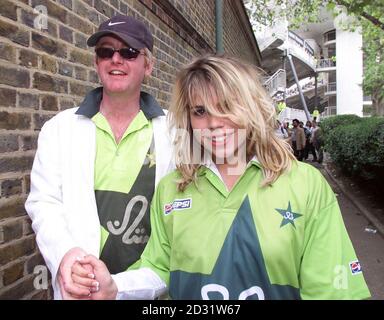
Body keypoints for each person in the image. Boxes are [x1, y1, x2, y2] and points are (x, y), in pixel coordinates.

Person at [71, 54, 370, 300]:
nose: (213, 123)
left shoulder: (306, 184)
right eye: (200, 111)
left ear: (251, 107)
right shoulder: (171, 190)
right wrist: (114, 287)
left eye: (226, 106)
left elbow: (333, 292)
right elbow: (159, 268)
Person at [25, 14, 174, 299]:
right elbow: (43, 202)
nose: (116, 59)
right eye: (106, 51)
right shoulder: (59, 128)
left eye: (129, 52)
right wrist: (65, 255)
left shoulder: (178, 132)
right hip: (81, 290)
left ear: (149, 66)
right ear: (96, 63)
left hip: (154, 292)